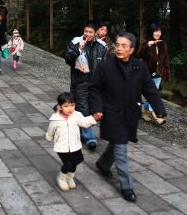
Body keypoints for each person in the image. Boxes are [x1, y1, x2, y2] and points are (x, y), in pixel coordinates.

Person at [89, 31, 167, 203]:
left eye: (124, 46)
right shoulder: (105, 66)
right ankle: (127, 186)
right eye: (117, 45)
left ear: (131, 49)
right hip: (111, 113)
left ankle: (103, 164)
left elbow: (150, 89)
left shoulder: (140, 67)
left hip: (131, 113)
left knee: (117, 142)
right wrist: (96, 108)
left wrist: (159, 109)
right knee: (121, 148)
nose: (119, 48)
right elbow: (94, 88)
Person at [64, 20, 107, 151]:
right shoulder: (75, 42)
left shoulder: (101, 46)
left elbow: (106, 66)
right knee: (83, 108)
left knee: (95, 108)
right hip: (79, 82)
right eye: (86, 31)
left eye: (90, 32)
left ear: (96, 33)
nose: (87, 34)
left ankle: (79, 129)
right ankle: (89, 137)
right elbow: (68, 59)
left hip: (96, 83)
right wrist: (78, 49)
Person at [45, 92, 100, 191]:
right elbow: (51, 130)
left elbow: (84, 122)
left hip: (75, 145)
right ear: (60, 107)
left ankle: (69, 177)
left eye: (72, 105)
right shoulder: (55, 119)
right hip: (61, 147)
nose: (70, 108)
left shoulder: (77, 115)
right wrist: (49, 137)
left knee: (77, 161)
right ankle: (61, 178)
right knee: (69, 163)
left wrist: (93, 118)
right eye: (66, 106)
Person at [137, 23, 171, 125]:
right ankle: (156, 115)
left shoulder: (163, 44)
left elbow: (165, 59)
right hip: (147, 72)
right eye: (156, 31)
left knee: (154, 93)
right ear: (152, 32)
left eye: (159, 31)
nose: (158, 33)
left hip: (158, 73)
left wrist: (166, 72)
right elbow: (138, 55)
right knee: (151, 93)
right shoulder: (146, 43)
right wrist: (148, 45)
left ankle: (147, 111)